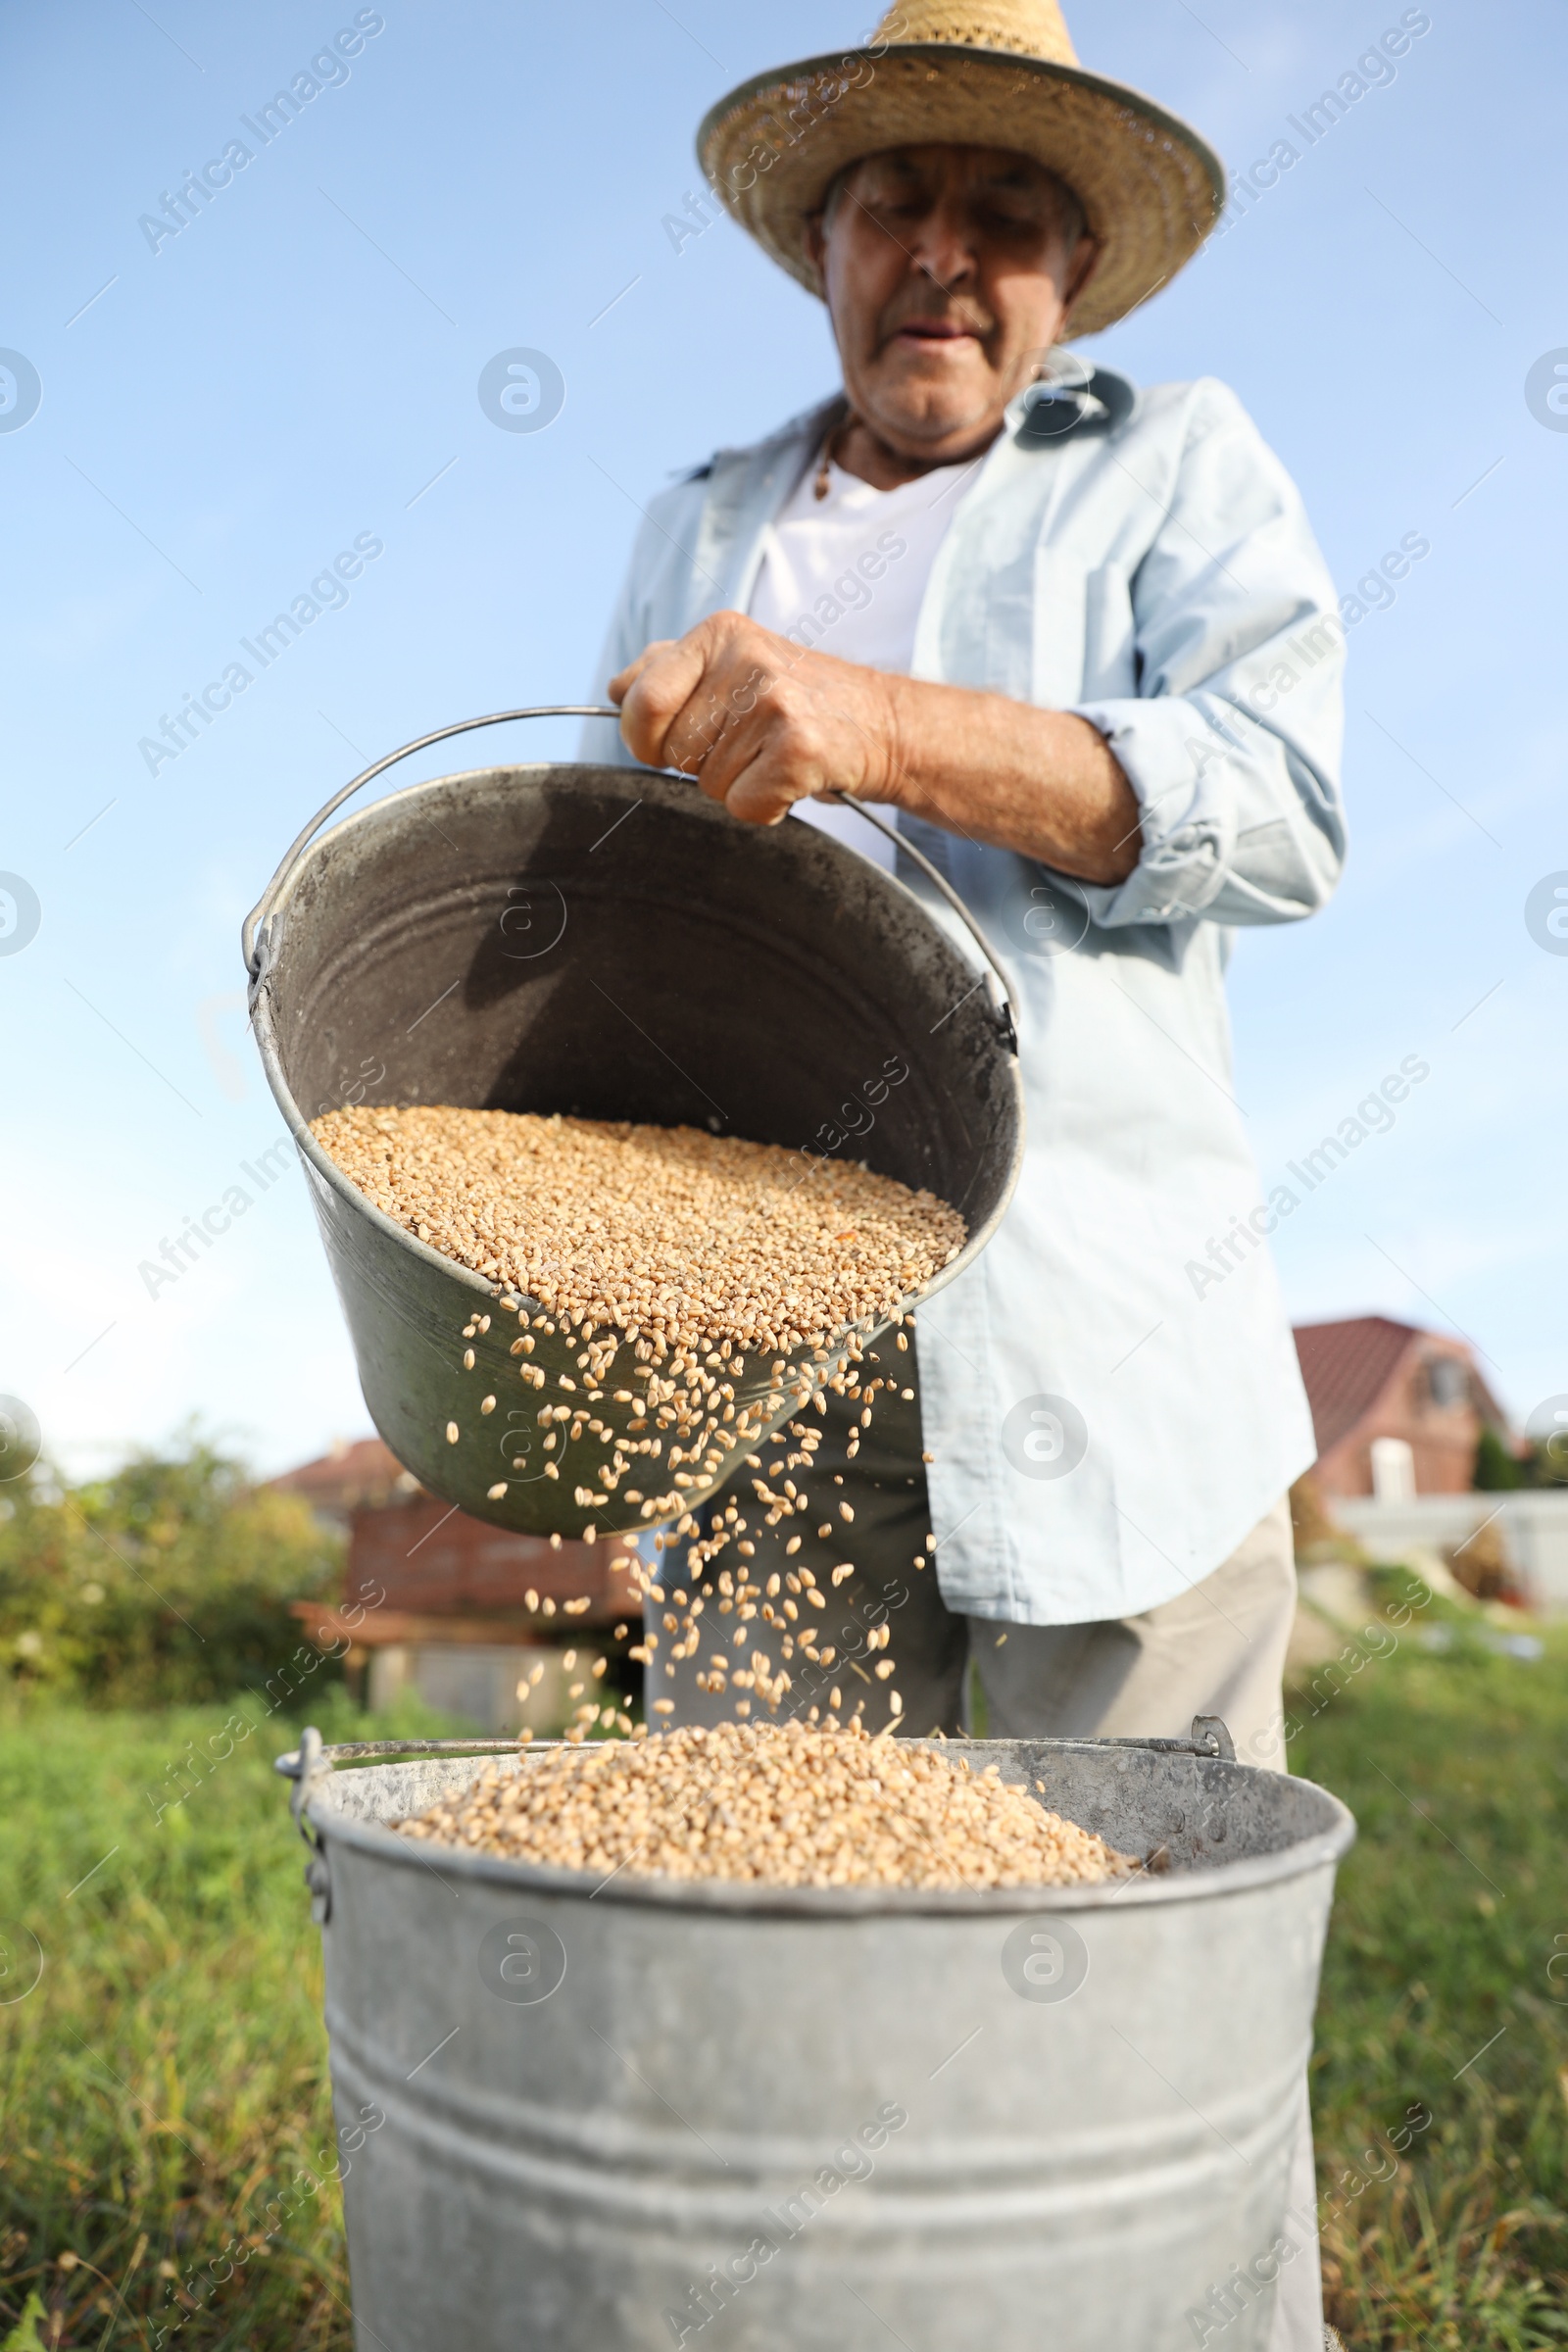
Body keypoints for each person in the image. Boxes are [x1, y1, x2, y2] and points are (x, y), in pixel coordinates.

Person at [583, 8, 1345, 2346]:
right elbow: (623, 907)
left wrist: (883, 727)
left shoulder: (1176, 469)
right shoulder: (698, 525)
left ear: (1076, 264)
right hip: (775, 1360)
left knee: (1140, 2010)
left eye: (1001, 213)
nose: (940, 256)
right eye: (891, 202)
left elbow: (1277, 810)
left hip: (1099, 1338)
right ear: (816, 241)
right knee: (775, 1976)